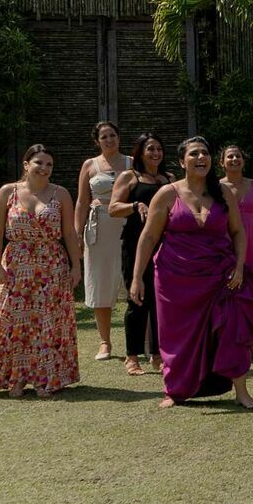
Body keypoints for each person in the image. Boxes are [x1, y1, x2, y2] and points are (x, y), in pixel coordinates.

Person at [129, 136, 253, 410]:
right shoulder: (167, 194)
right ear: (182, 162)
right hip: (174, 279)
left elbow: (237, 231)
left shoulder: (223, 192)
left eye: (205, 153)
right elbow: (149, 236)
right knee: (177, 336)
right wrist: (136, 277)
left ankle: (241, 391)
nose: (202, 158)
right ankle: (175, 390)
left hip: (220, 273)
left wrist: (238, 265)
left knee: (230, 328)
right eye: (194, 154)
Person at [0, 144, 81, 397]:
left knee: (47, 321)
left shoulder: (61, 194)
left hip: (51, 265)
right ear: (26, 165)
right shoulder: (7, 192)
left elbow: (69, 233)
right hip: (16, 264)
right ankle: (17, 378)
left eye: (49, 164)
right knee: (15, 322)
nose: (44, 168)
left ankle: (45, 378)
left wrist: (76, 265)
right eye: (39, 163)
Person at [110, 134, 168, 376]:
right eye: (150, 149)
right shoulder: (130, 177)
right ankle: (132, 356)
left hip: (165, 246)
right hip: (135, 244)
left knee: (160, 300)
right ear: (140, 153)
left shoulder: (169, 179)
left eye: (159, 148)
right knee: (138, 298)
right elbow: (113, 208)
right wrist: (135, 206)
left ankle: (157, 354)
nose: (155, 153)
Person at [74, 121, 131, 360]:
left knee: (133, 281)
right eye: (104, 136)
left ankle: (145, 342)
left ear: (119, 137)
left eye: (113, 135)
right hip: (98, 229)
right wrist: (77, 234)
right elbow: (81, 201)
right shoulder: (89, 165)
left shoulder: (132, 162)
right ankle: (105, 342)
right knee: (100, 283)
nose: (109, 140)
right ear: (97, 141)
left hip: (128, 226)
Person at [221, 144, 253, 358]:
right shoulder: (216, 187)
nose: (234, 159)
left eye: (238, 156)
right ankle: (234, 337)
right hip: (227, 242)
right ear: (222, 162)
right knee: (233, 290)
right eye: (230, 156)